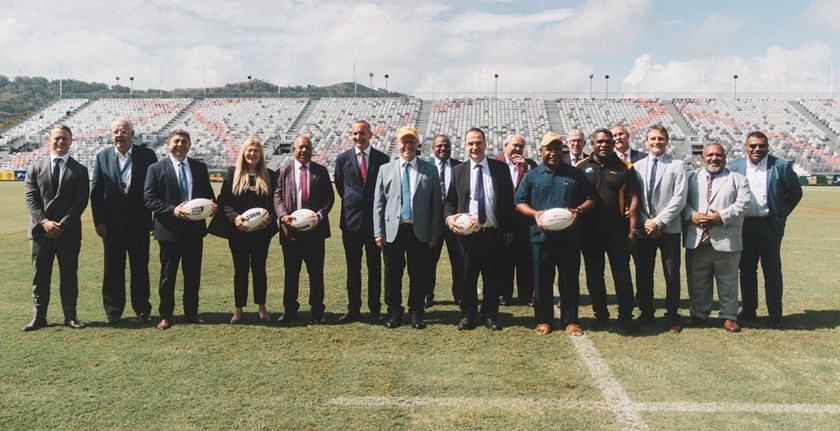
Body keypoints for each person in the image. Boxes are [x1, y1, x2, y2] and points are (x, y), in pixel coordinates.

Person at [515, 132, 596, 336]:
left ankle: (571, 320)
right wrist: (534, 214)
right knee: (542, 280)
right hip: (541, 238)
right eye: (549, 149)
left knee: (569, 280)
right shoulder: (532, 175)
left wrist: (578, 210)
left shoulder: (575, 174)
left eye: (557, 148)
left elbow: (591, 198)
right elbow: (519, 202)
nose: (553, 153)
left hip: (569, 238)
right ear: (541, 151)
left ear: (562, 151)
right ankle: (543, 320)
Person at [144, 129, 216, 330]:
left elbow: (208, 194)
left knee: (192, 274)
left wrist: (211, 205)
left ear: (189, 145)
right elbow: (149, 198)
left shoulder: (199, 168)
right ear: (168, 144)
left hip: (194, 231)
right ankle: (166, 315)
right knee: (168, 275)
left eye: (184, 141)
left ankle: (191, 313)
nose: (180, 145)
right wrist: (172, 210)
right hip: (169, 231)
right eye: (176, 141)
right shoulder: (156, 169)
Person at [729, 131, 802, 329]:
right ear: (746, 146)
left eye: (761, 145)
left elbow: (795, 193)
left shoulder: (781, 166)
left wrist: (781, 214)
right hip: (744, 225)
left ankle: (775, 315)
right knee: (746, 269)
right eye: (753, 145)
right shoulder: (735, 166)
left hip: (769, 225)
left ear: (767, 147)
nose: (757, 149)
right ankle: (749, 309)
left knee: (772, 271)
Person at [444, 127, 514, 331]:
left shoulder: (500, 169)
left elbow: (508, 201)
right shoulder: (457, 171)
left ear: (485, 144)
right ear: (465, 146)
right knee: (467, 276)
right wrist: (449, 219)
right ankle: (468, 314)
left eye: (478, 143)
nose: (475, 147)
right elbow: (449, 202)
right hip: (468, 235)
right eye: (470, 143)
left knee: (492, 276)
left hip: (492, 233)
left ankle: (490, 314)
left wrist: (509, 229)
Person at [90, 118, 157, 325]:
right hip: (112, 225)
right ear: (111, 135)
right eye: (116, 132)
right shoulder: (102, 156)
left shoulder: (147, 155)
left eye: (124, 131)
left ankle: (142, 309)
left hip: (140, 223)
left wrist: (155, 218)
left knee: (140, 268)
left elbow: (156, 188)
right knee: (113, 269)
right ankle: (113, 311)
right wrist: (99, 221)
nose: (120, 135)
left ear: (132, 134)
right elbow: (96, 192)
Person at [373, 126, 442, 329]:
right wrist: (378, 232)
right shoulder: (385, 169)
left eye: (412, 142)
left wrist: (435, 231)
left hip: (419, 230)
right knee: (392, 275)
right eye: (404, 142)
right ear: (397, 144)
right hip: (393, 230)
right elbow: (379, 204)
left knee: (418, 274)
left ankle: (416, 313)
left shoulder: (430, 169)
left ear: (417, 144)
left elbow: (435, 204)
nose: (408, 146)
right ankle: (394, 312)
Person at [22, 124, 89, 331]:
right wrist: (44, 222)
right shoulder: (35, 167)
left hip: (68, 233)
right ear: (48, 140)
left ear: (71, 141)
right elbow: (31, 199)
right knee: (40, 276)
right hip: (40, 233)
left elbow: (80, 201)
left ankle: (71, 316)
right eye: (57, 138)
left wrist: (63, 224)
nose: (60, 141)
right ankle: (39, 317)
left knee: (69, 275)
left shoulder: (80, 170)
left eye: (64, 138)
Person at [578, 128, 642, 334]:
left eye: (608, 141)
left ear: (613, 144)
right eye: (600, 142)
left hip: (618, 232)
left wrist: (633, 232)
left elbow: (634, 201)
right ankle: (601, 315)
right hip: (590, 233)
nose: (604, 145)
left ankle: (626, 317)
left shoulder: (625, 167)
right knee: (594, 275)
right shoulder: (581, 167)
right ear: (592, 144)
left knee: (622, 275)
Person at [683, 143, 751, 333]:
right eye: (710, 155)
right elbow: (681, 201)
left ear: (725, 158)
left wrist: (720, 216)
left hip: (726, 239)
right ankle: (699, 313)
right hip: (697, 238)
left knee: (728, 281)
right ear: (702, 158)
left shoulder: (737, 179)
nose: (714, 158)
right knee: (697, 280)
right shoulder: (690, 177)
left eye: (718, 155)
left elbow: (744, 204)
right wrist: (691, 215)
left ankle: (729, 316)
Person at [333, 120, 390, 324]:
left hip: (375, 224)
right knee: (353, 268)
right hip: (351, 223)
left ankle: (375, 309)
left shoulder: (382, 159)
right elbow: (341, 187)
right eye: (355, 133)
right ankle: (353, 308)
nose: (358, 137)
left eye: (362, 133)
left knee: (375, 268)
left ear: (370, 135)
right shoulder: (342, 159)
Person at [632, 125, 687, 333]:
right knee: (643, 272)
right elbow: (634, 198)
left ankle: (672, 315)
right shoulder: (637, 166)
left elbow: (679, 198)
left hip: (669, 229)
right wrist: (647, 221)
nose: (657, 142)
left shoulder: (677, 165)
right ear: (646, 141)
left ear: (667, 141)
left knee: (671, 274)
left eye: (661, 138)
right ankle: (646, 312)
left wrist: (658, 222)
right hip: (645, 229)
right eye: (653, 139)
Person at [275, 135, 334, 325]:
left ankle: (317, 311)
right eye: (300, 147)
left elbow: (329, 198)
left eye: (307, 147)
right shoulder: (283, 171)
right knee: (291, 273)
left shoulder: (321, 171)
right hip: (290, 232)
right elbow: (277, 196)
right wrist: (283, 216)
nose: (304, 150)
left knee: (316, 274)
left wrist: (319, 216)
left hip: (315, 233)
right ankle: (289, 310)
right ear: (293, 149)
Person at [217, 137, 277, 324]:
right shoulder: (232, 173)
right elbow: (224, 202)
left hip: (261, 232)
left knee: (260, 269)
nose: (252, 154)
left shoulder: (269, 175)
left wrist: (269, 218)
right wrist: (235, 218)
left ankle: (261, 306)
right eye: (249, 150)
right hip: (238, 231)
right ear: (243, 153)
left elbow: (274, 203)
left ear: (261, 154)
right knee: (240, 270)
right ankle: (238, 308)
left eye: (256, 151)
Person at [494, 133, 537, 306]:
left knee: (525, 260)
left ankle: (526, 296)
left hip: (524, 222)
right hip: (503, 219)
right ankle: (505, 295)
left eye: (521, 146)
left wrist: (527, 168)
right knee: (504, 259)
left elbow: (537, 184)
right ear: (505, 146)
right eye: (515, 145)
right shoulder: (495, 163)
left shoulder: (530, 165)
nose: (518, 149)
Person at [426, 134, 463, 307]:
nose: (443, 148)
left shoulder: (460, 167)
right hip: (432, 222)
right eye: (439, 145)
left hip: (454, 221)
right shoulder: (425, 167)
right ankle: (427, 294)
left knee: (458, 260)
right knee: (429, 260)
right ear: (433, 148)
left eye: (446, 145)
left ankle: (460, 294)